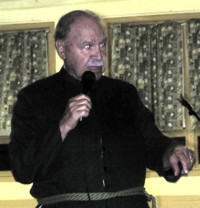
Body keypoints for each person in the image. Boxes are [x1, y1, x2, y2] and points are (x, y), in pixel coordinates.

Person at [9, 10, 195, 208]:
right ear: (62, 49)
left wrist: (170, 154)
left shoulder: (124, 94)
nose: (98, 55)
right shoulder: (34, 97)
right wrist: (63, 126)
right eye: (87, 46)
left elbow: (151, 143)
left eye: (103, 45)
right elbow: (23, 170)